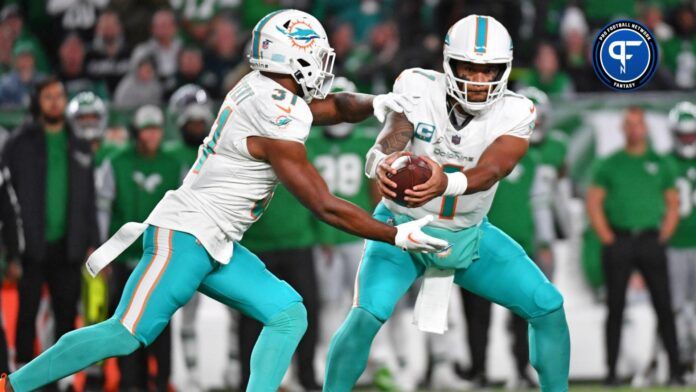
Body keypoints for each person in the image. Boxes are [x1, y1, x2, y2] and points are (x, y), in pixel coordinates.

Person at [0, 9, 447, 392]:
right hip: (185, 235)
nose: (322, 63)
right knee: (125, 333)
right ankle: (11, 385)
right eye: (314, 53)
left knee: (287, 313)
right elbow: (323, 204)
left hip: (215, 241)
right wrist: (396, 233)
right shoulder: (271, 110)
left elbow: (333, 106)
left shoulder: (272, 91)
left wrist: (381, 103)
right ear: (289, 55)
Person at [324, 15, 570, 392]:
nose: (478, 80)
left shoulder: (517, 110)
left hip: (467, 237)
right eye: (468, 68)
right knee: (366, 316)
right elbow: (395, 131)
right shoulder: (417, 85)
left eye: (488, 71)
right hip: (400, 230)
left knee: (548, 307)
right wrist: (381, 159)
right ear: (448, 63)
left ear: (504, 70)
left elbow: (493, 168)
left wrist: (447, 183)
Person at [1, 76, 99, 376]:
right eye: (48, 96)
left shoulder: (79, 143)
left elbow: (88, 199)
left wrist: (93, 242)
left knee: (66, 316)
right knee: (27, 316)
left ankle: (63, 379)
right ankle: (21, 378)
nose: (55, 101)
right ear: (37, 102)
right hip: (31, 246)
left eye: (59, 95)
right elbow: (7, 200)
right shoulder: (18, 144)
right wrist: (12, 253)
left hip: (69, 246)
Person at [586, 106, 683, 386]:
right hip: (620, 239)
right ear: (622, 129)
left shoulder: (661, 162)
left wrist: (662, 236)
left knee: (664, 306)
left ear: (646, 128)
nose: (634, 129)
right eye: (628, 124)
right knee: (615, 308)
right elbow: (594, 203)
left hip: (650, 239)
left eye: (638, 124)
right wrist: (608, 237)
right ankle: (612, 372)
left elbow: (673, 204)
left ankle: (675, 371)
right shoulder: (610, 163)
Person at [98, 105, 181, 391]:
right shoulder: (117, 161)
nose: (152, 135)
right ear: (137, 132)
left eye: (156, 129)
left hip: (162, 256)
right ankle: (129, 381)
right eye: (146, 129)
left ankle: (161, 379)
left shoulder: (174, 164)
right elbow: (103, 208)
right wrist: (105, 250)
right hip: (125, 256)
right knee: (125, 322)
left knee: (162, 320)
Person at [666, 101, 696, 378]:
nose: (687, 139)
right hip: (675, 243)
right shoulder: (665, 163)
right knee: (675, 307)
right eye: (683, 135)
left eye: (691, 135)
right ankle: (678, 363)